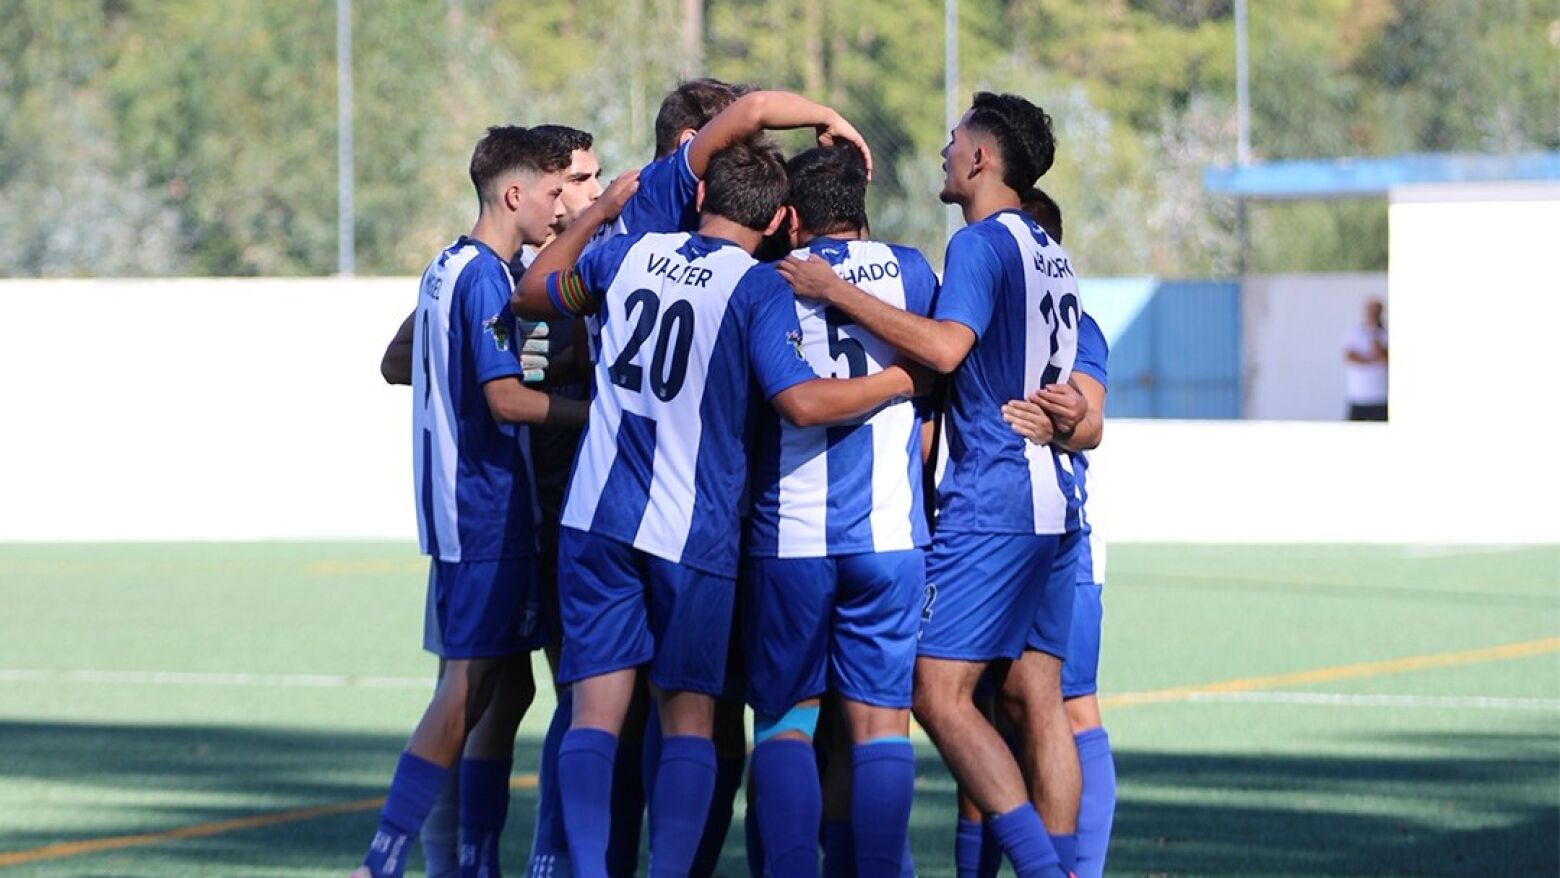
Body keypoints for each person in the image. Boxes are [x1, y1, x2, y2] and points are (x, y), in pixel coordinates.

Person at [512, 138, 924, 878]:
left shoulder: (628, 252)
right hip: (688, 525)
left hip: (596, 513)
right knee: (690, 720)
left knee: (594, 715)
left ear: (700, 199)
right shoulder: (760, 287)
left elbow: (534, 291)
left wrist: (600, 212)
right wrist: (898, 384)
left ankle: (588, 872)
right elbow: (798, 399)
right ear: (777, 223)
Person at [779, 92, 1081, 878]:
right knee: (1038, 704)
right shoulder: (1051, 250)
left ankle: (1044, 873)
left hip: (996, 500)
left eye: (954, 140)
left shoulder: (981, 243)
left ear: (982, 159)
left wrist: (834, 289)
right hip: (1057, 501)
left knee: (937, 695)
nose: (946, 151)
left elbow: (945, 351)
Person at [350, 125, 601, 878]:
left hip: (464, 512)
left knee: (500, 685)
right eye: (558, 190)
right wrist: (601, 412)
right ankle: (387, 858)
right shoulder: (492, 278)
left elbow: (412, 361)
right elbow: (506, 403)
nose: (565, 205)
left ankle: (463, 860)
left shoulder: (444, 267)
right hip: (488, 511)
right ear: (516, 194)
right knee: (470, 689)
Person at [742, 144, 937, 878]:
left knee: (790, 721)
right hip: (889, 535)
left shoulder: (769, 285)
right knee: (882, 726)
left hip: (791, 538)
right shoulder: (913, 272)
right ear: (862, 208)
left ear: (789, 216)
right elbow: (935, 386)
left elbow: (781, 406)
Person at [1344, 298, 1388, 421]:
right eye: (1370, 310)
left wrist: (1379, 350)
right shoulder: (1354, 333)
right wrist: (1374, 360)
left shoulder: (1386, 334)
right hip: (1358, 395)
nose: (1373, 313)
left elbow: (1387, 359)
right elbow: (1350, 357)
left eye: (1376, 310)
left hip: (1380, 396)